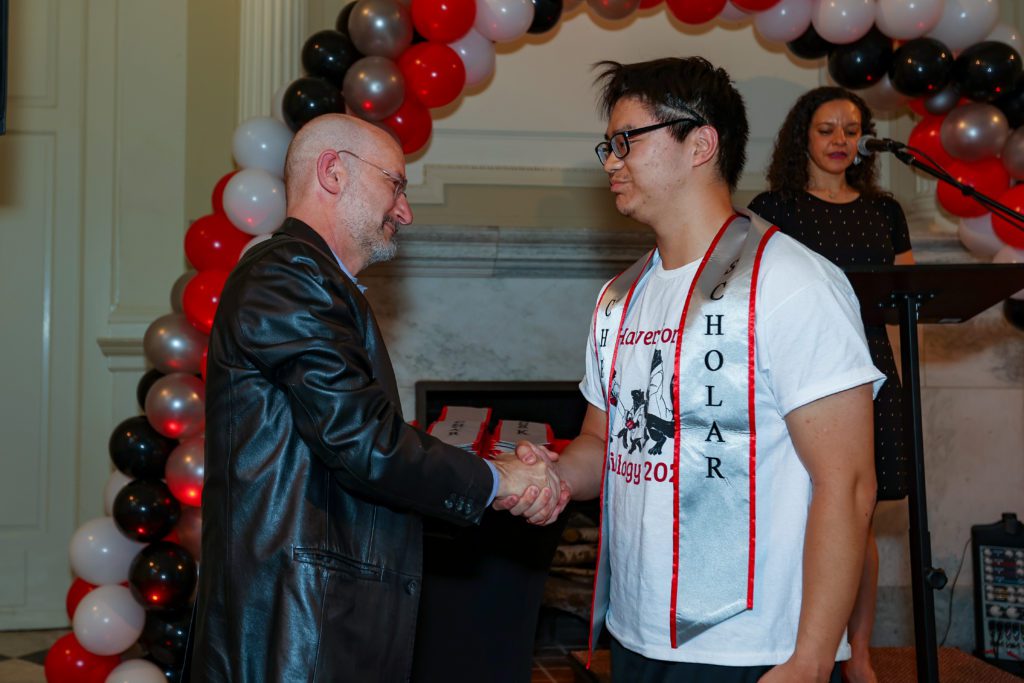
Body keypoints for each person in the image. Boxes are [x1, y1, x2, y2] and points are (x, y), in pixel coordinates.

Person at [501, 57, 884, 682]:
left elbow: (848, 484)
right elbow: (603, 443)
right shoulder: (618, 297)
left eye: (628, 141)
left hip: (754, 651)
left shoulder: (790, 281)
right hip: (635, 632)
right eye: (608, 145)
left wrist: (812, 658)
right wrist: (550, 475)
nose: (610, 161)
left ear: (701, 143)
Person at [189, 113, 563, 682]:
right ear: (333, 172)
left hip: (312, 618)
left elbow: (352, 445)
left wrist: (484, 469)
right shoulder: (287, 276)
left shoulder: (313, 280)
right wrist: (499, 479)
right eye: (396, 183)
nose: (406, 210)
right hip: (294, 633)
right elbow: (363, 441)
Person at [748, 86, 915, 683]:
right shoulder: (776, 207)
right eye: (827, 129)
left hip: (867, 366)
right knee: (797, 510)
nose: (841, 140)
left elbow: (906, 294)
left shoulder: (884, 211)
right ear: (803, 137)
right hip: (796, 373)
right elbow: (753, 288)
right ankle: (795, 645)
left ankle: (857, 652)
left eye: (852, 129)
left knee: (858, 511)